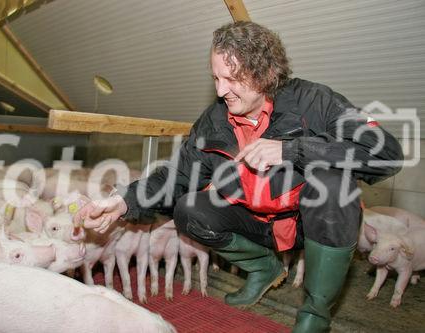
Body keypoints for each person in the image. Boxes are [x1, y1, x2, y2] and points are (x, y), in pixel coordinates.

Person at [74, 21, 403, 332]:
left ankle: (315, 313)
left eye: (231, 79)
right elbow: (179, 173)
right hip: (255, 222)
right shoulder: (215, 119)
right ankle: (264, 268)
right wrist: (123, 201)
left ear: (266, 72)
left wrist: (293, 151)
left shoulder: (315, 101)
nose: (220, 91)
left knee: (334, 182)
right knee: (190, 208)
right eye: (216, 79)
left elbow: (387, 154)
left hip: (309, 223)